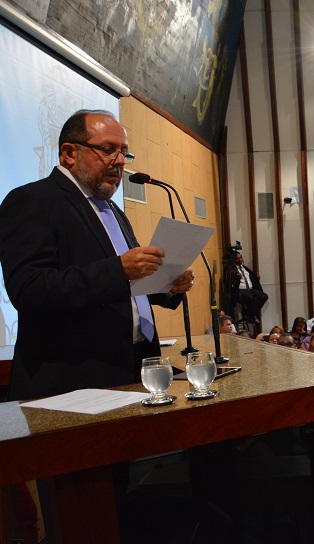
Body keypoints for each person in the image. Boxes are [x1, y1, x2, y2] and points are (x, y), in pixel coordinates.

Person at [0, 109, 193, 402]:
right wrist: (119, 269)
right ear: (69, 153)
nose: (119, 161)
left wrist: (168, 284)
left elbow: (124, 285)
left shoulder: (111, 210)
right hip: (74, 379)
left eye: (124, 153)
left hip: (132, 365)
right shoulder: (32, 200)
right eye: (107, 149)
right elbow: (29, 288)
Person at [232, 252, 268, 322]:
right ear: (234, 260)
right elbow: (232, 283)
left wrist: (257, 278)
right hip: (241, 289)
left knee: (264, 296)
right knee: (251, 298)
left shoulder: (245, 268)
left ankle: (249, 314)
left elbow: (251, 278)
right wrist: (238, 278)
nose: (240, 259)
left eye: (240, 257)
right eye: (237, 258)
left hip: (250, 289)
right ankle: (251, 315)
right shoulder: (233, 270)